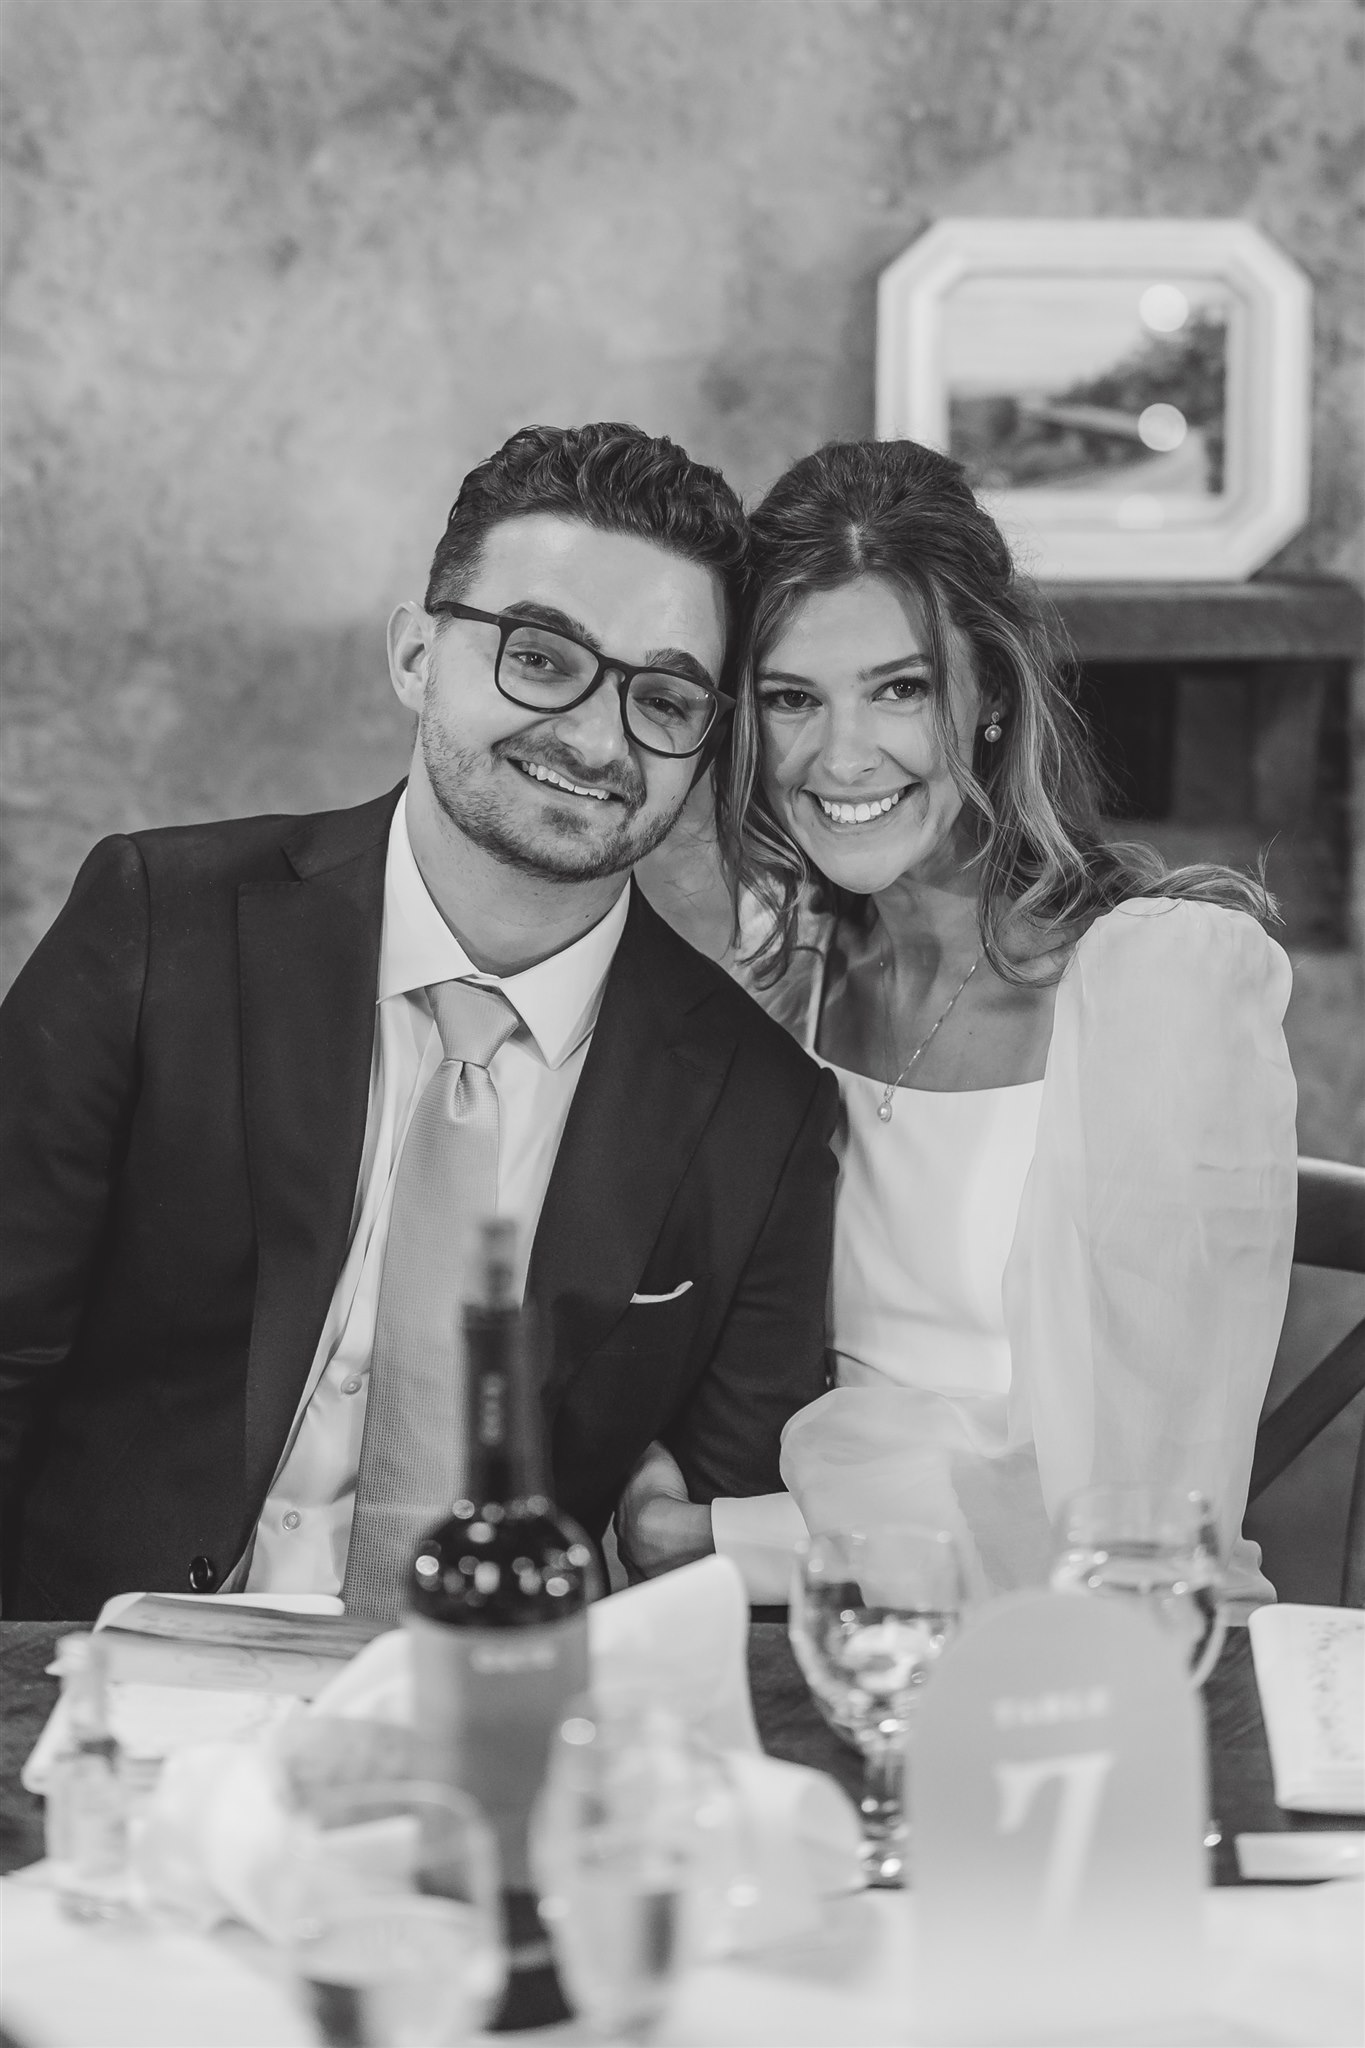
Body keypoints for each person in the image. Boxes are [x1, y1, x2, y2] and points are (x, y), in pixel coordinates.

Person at [0, 422, 838, 1622]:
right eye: (542, 659)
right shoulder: (158, 922)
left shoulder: (761, 1105)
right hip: (110, 1687)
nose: (600, 740)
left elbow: (716, 1555)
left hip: (493, 1732)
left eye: (663, 697)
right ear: (414, 652)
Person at [617, 437, 1296, 1612]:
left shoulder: (1159, 984)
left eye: (900, 688)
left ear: (988, 693)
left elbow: (1132, 1519)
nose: (841, 756)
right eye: (790, 697)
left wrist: (713, 1537)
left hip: (1064, 1664)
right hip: (782, 1637)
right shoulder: (788, 972)